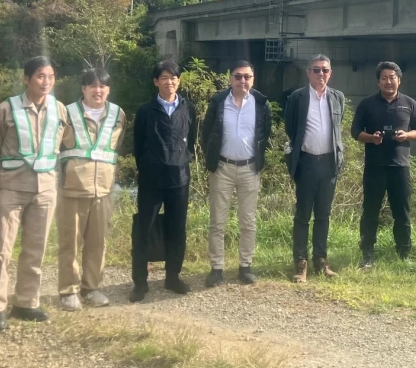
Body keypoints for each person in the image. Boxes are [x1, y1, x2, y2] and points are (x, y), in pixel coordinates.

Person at [0, 56, 69, 334]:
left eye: (51, 77)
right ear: (26, 79)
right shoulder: (5, 109)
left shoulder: (59, 110)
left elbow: (61, 145)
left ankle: (26, 302)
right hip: (11, 187)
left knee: (36, 248)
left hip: (45, 189)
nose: (46, 82)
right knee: (1, 250)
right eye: (40, 77)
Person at [56, 68, 127, 310]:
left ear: (108, 89)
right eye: (92, 86)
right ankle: (68, 290)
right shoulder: (66, 112)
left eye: (103, 86)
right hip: (72, 187)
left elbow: (115, 148)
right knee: (70, 242)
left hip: (104, 188)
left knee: (98, 242)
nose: (98, 90)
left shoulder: (118, 114)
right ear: (83, 89)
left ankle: (92, 288)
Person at [200, 61, 271, 287]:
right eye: (238, 76)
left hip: (250, 169)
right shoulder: (219, 102)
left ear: (253, 79)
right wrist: (211, 159)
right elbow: (206, 132)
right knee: (217, 222)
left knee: (248, 221)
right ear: (230, 79)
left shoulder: (260, 104)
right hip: (223, 168)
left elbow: (264, 134)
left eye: (247, 77)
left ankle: (245, 266)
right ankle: (217, 268)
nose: (242, 81)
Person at [130, 59, 196, 302]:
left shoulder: (188, 108)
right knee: (144, 229)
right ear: (156, 81)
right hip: (151, 180)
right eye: (165, 78)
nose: (170, 82)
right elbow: (138, 145)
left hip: (179, 177)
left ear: (179, 81)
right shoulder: (146, 111)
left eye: (174, 77)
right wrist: (147, 166)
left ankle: (173, 277)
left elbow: (192, 138)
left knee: (177, 229)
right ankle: (139, 281)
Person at [351, 61, 416, 268]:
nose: (388, 82)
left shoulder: (409, 104)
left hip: (400, 167)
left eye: (392, 78)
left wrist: (406, 135)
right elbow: (355, 132)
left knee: (402, 212)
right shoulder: (367, 104)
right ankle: (367, 254)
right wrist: (371, 138)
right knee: (370, 211)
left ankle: (404, 254)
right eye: (384, 78)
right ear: (378, 82)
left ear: (399, 80)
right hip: (374, 166)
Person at [283, 55, 345, 283]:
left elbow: (337, 129)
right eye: (316, 70)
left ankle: (321, 260)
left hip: (329, 163)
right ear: (308, 73)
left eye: (325, 70)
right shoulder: (297, 97)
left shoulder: (337, 97)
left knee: (324, 215)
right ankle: (300, 263)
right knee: (302, 215)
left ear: (331, 73)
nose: (321, 74)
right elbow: (290, 127)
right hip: (307, 163)